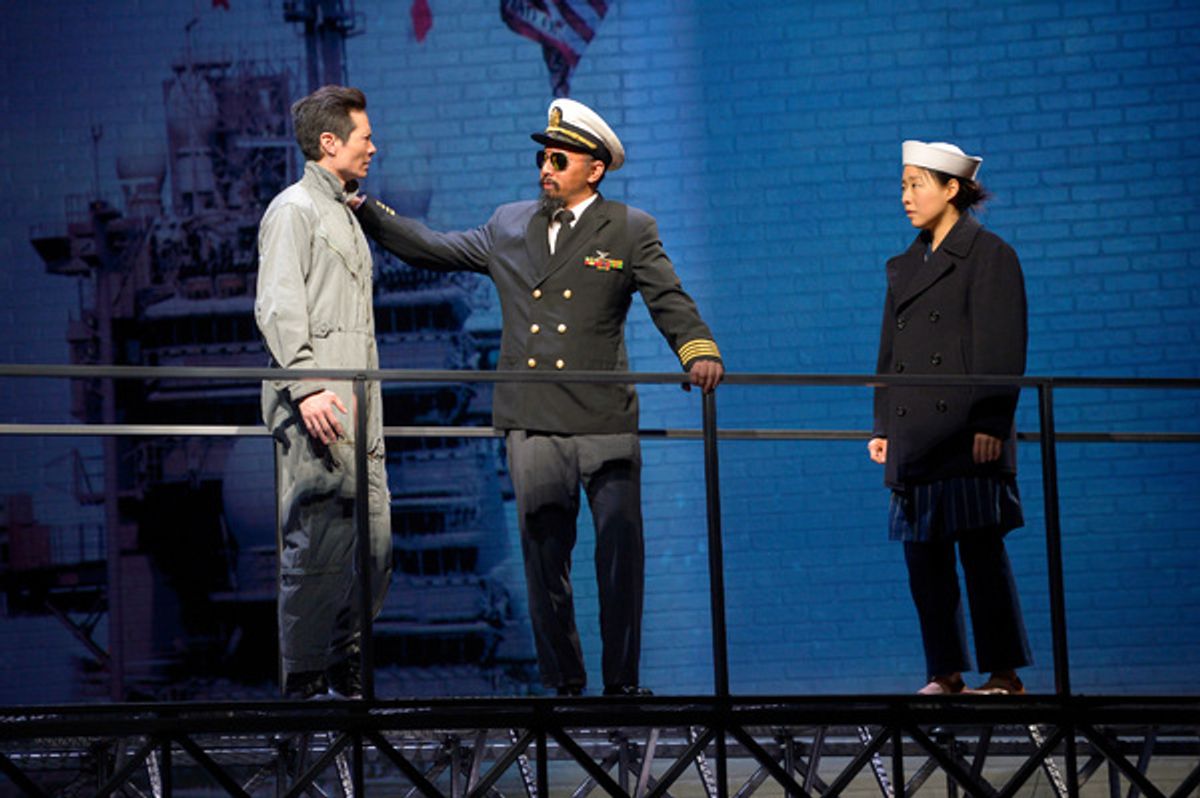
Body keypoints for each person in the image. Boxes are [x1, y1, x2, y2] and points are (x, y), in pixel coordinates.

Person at [353, 98, 723, 696]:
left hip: (602, 417)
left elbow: (668, 299)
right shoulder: (508, 224)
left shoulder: (629, 228)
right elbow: (434, 248)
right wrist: (371, 213)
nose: (544, 168)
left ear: (593, 169)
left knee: (620, 554)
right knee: (544, 560)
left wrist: (698, 349)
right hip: (533, 418)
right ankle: (565, 684)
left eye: (558, 158)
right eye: (541, 157)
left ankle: (623, 684)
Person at [868, 140, 1033, 696]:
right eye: (903, 185)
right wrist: (883, 426)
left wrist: (991, 421)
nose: (906, 197)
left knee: (981, 554)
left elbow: (1002, 347)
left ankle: (1004, 674)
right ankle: (944, 672)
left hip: (966, 432)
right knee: (924, 561)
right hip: (914, 435)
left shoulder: (989, 255)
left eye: (917, 184)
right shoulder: (905, 264)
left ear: (951, 188)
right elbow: (889, 355)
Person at [255, 85, 392, 699]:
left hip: (361, 408)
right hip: (321, 405)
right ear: (330, 142)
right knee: (317, 544)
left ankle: (344, 656)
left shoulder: (340, 210)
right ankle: (305, 678)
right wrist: (307, 386)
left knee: (376, 543)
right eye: (364, 137)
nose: (373, 146)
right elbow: (278, 305)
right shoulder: (293, 210)